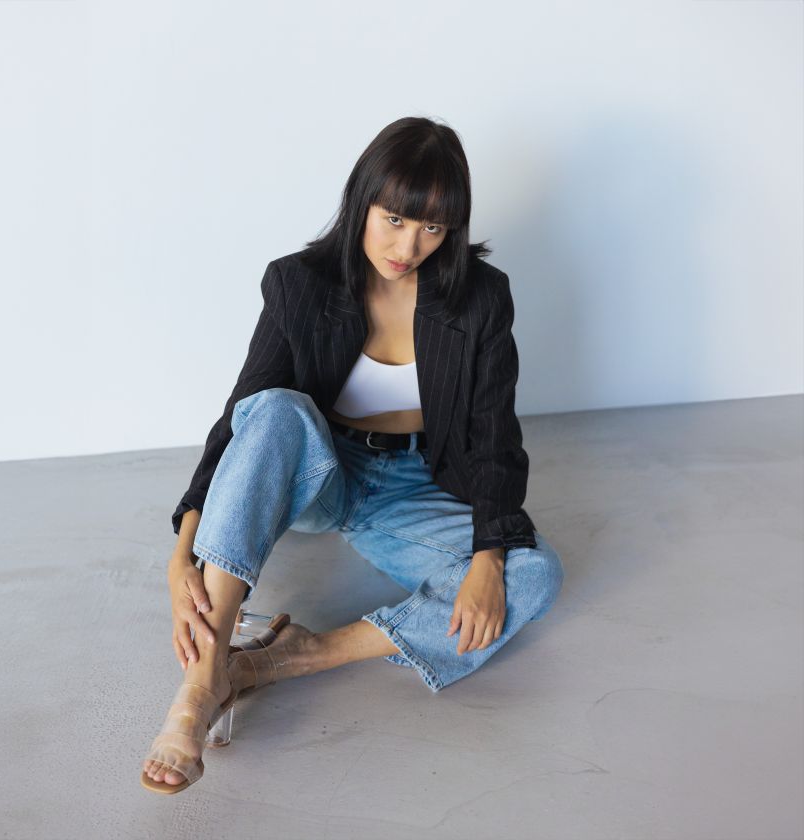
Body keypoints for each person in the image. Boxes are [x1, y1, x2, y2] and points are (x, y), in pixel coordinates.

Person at [142, 116, 564, 794]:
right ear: (362, 200)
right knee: (276, 407)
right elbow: (242, 421)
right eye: (394, 219)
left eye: (432, 228)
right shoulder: (299, 283)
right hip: (320, 473)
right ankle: (199, 684)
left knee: (536, 573)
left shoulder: (481, 298)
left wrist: (488, 557)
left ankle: (288, 658)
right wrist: (180, 555)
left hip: (413, 486)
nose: (408, 246)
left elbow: (494, 436)